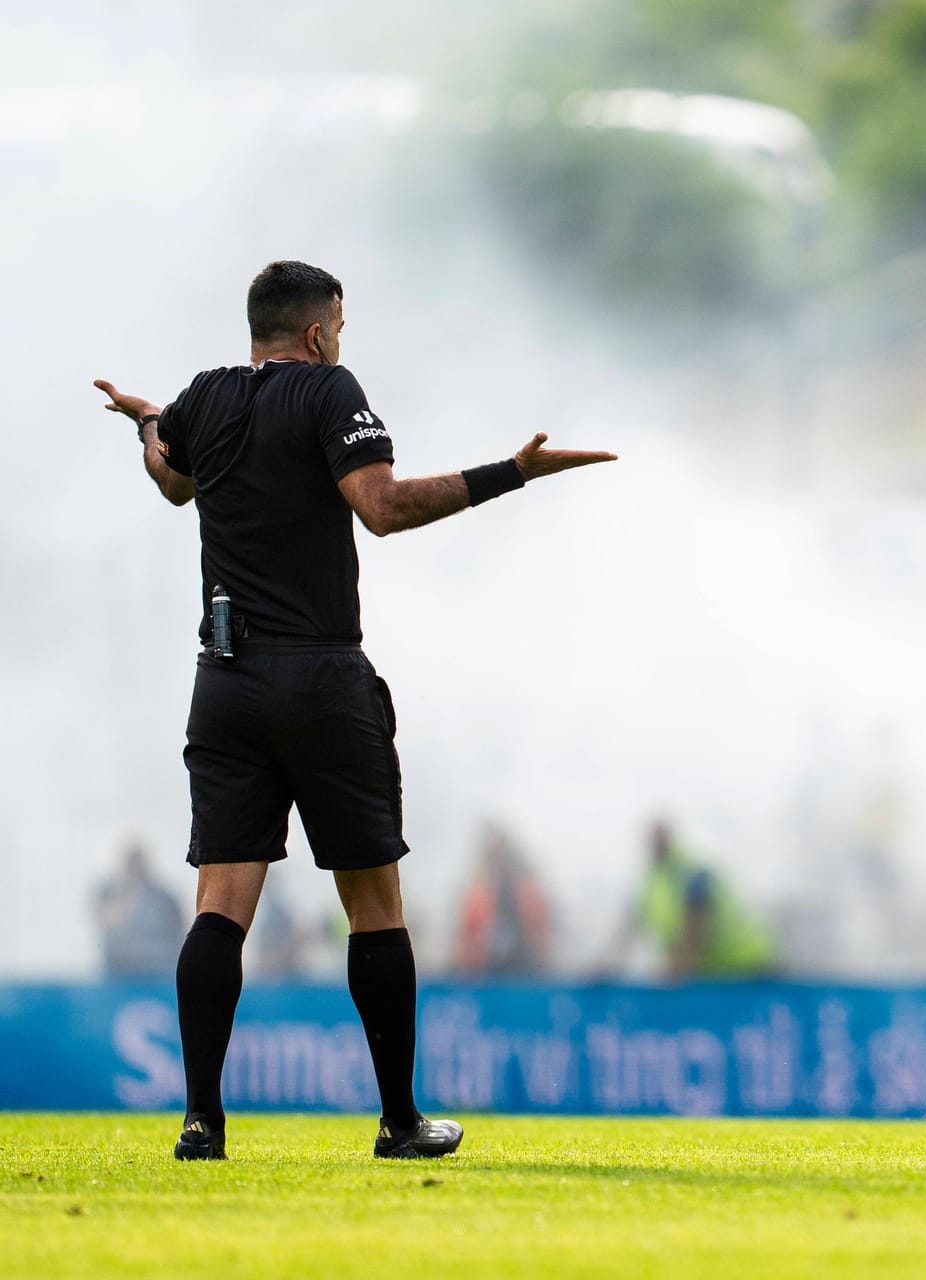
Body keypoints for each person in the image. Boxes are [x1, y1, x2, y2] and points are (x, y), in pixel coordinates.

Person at [93, 260, 615, 1160]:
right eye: (342, 324)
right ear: (318, 332)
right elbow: (381, 507)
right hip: (320, 678)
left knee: (220, 901)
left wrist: (146, 419)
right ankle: (399, 1120)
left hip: (224, 679)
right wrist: (512, 472)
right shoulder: (330, 391)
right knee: (374, 904)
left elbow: (170, 478)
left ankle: (200, 1122)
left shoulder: (205, 398)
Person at [600, 819, 778, 980]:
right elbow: (626, 934)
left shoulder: (691, 872)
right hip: (712, 977)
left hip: (750, 968)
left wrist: (675, 969)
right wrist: (606, 967)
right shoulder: (649, 887)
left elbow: (696, 928)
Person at [456, 824, 554, 976]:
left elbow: (541, 926)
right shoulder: (479, 886)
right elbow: (468, 931)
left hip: (526, 964)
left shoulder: (525, 883)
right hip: (485, 968)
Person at [93, 842, 186, 977]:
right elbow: (106, 920)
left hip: (159, 972)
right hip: (118, 972)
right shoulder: (110, 892)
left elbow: (180, 931)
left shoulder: (164, 899)